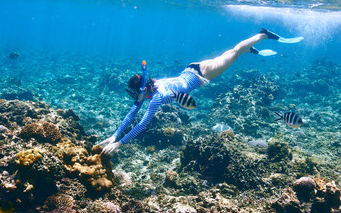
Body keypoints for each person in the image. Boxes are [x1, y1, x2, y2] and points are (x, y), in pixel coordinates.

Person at [99, 29, 289, 154]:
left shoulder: (156, 98)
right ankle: (250, 49)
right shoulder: (150, 88)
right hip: (192, 69)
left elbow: (141, 124)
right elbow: (132, 113)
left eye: (135, 95)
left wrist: (120, 144)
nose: (135, 99)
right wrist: (115, 135)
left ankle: (263, 34)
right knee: (228, 55)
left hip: (202, 74)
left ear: (141, 90)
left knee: (234, 51)